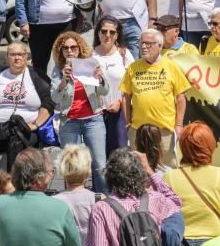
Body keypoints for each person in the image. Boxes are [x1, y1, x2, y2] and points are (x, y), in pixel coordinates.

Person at [121, 28, 191, 168]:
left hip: (164, 130)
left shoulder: (171, 66)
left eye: (148, 43)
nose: (143, 47)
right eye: (141, 43)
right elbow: (126, 97)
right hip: (138, 130)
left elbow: (181, 97)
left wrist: (178, 124)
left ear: (159, 46)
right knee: (138, 168)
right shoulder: (133, 68)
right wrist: (128, 122)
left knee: (167, 167)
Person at [0, 42, 54, 173]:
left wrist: (36, 124)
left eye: (20, 54)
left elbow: (49, 102)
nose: (17, 58)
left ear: (26, 56)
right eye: (12, 54)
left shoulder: (36, 76)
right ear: (7, 57)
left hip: (25, 132)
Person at [51, 31, 109, 192]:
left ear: (80, 48)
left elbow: (105, 92)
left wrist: (101, 79)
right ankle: (73, 199)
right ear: (60, 51)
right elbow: (55, 98)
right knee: (71, 165)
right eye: (65, 48)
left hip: (93, 119)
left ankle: (102, 200)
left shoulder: (90, 64)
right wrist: (63, 80)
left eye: (73, 47)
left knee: (99, 164)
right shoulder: (58, 69)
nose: (70, 51)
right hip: (69, 121)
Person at [93, 16, 135, 155]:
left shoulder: (124, 54)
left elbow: (133, 84)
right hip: (96, 113)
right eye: (104, 31)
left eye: (112, 32)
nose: (108, 35)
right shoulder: (89, 55)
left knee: (120, 154)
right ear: (98, 32)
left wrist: (119, 102)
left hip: (119, 112)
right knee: (99, 156)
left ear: (117, 35)